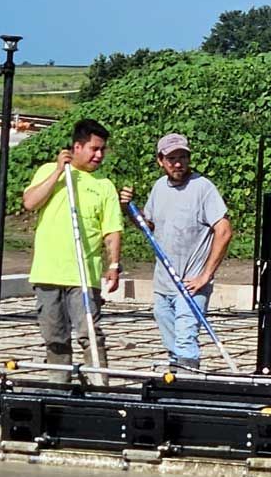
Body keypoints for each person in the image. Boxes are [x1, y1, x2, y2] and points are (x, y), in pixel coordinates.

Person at [119, 132, 232, 370]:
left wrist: (205, 275)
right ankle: (175, 379)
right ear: (161, 160)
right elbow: (147, 226)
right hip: (163, 283)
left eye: (183, 157)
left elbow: (224, 231)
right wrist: (128, 209)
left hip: (191, 283)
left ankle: (184, 390)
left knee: (185, 340)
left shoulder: (203, 188)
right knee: (172, 344)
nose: (178, 164)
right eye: (172, 159)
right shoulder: (159, 187)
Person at [22, 118, 124, 370]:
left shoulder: (104, 186)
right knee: (55, 337)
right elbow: (30, 202)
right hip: (49, 272)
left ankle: (99, 386)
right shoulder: (49, 171)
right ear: (77, 147)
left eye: (102, 150)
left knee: (90, 333)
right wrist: (58, 172)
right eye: (94, 149)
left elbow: (111, 230)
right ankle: (59, 386)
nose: (99, 155)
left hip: (83, 275)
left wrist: (114, 264)